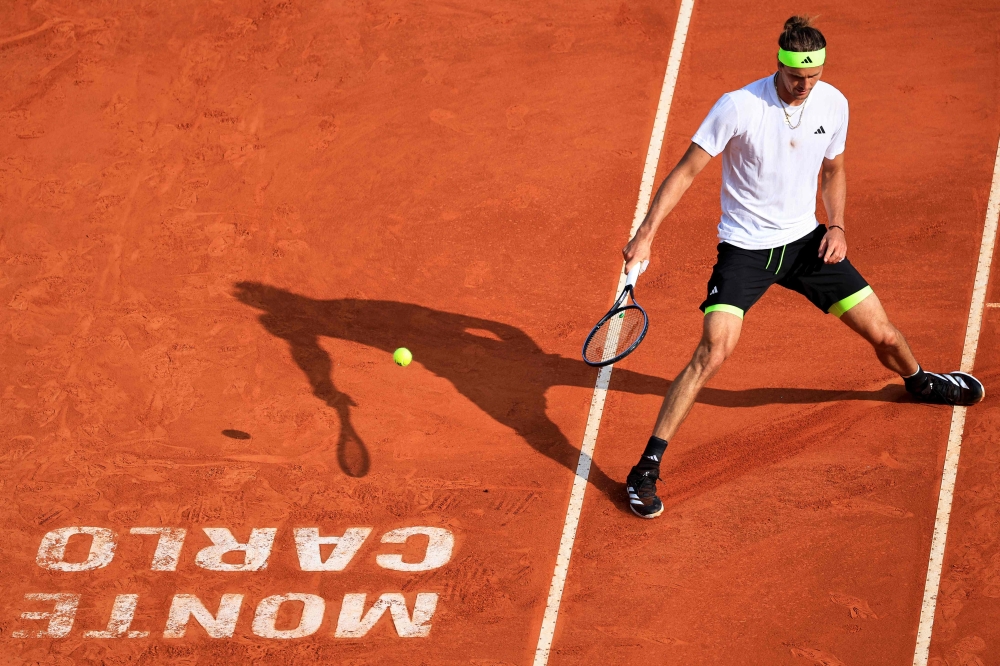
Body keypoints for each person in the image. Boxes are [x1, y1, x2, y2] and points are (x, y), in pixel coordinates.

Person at [620, 16, 985, 519]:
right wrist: (646, 233)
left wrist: (837, 226)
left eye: (813, 76)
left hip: (807, 244)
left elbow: (834, 170)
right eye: (796, 77)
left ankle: (920, 381)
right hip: (746, 251)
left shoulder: (833, 103)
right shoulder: (739, 106)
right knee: (712, 351)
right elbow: (685, 173)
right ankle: (646, 468)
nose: (804, 86)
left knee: (885, 336)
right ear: (779, 64)